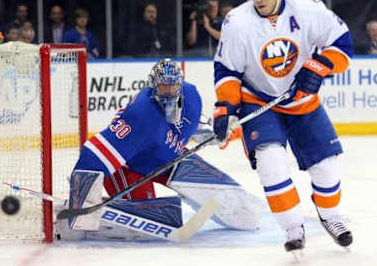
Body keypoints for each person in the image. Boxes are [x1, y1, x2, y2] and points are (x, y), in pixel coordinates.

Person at [212, 0, 353, 254]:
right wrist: (225, 107)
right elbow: (227, 72)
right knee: (271, 163)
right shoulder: (237, 22)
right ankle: (292, 228)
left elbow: (342, 43)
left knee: (327, 167)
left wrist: (318, 67)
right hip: (259, 102)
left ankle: (330, 216)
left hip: (302, 101)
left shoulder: (307, 7)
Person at [64, 58, 262, 238]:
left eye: (173, 85)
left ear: (181, 84)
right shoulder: (140, 114)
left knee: (221, 194)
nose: (168, 91)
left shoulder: (192, 95)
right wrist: (81, 192)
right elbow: (97, 151)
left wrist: (215, 132)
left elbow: (193, 125)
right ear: (153, 86)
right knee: (149, 222)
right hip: (131, 165)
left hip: (168, 156)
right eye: (162, 86)